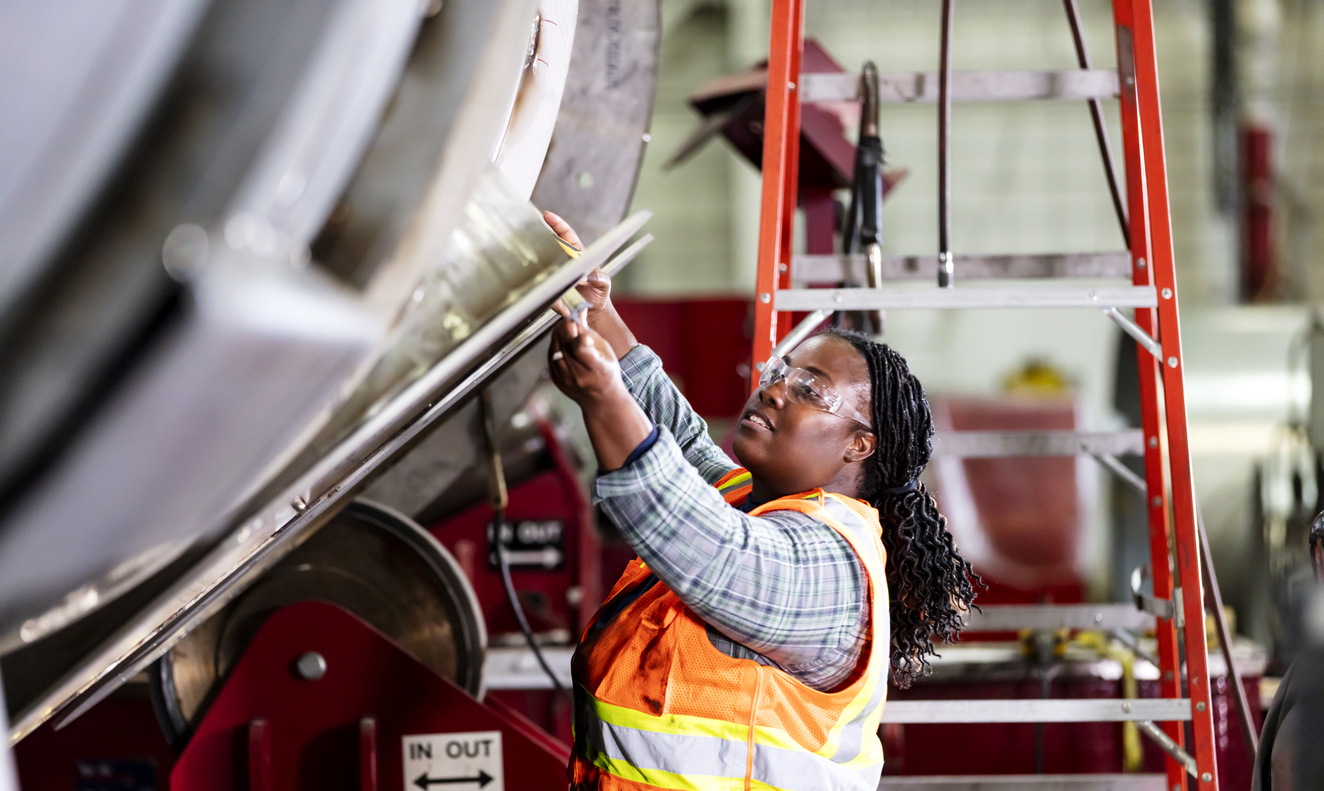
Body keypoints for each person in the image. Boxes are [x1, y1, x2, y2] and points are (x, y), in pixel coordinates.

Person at [542, 211, 977, 791]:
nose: (773, 389)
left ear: (859, 446)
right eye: (780, 372)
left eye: (809, 391)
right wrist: (596, 309)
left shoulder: (831, 570)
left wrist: (602, 398)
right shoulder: (748, 499)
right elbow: (675, 435)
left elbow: (712, 553)